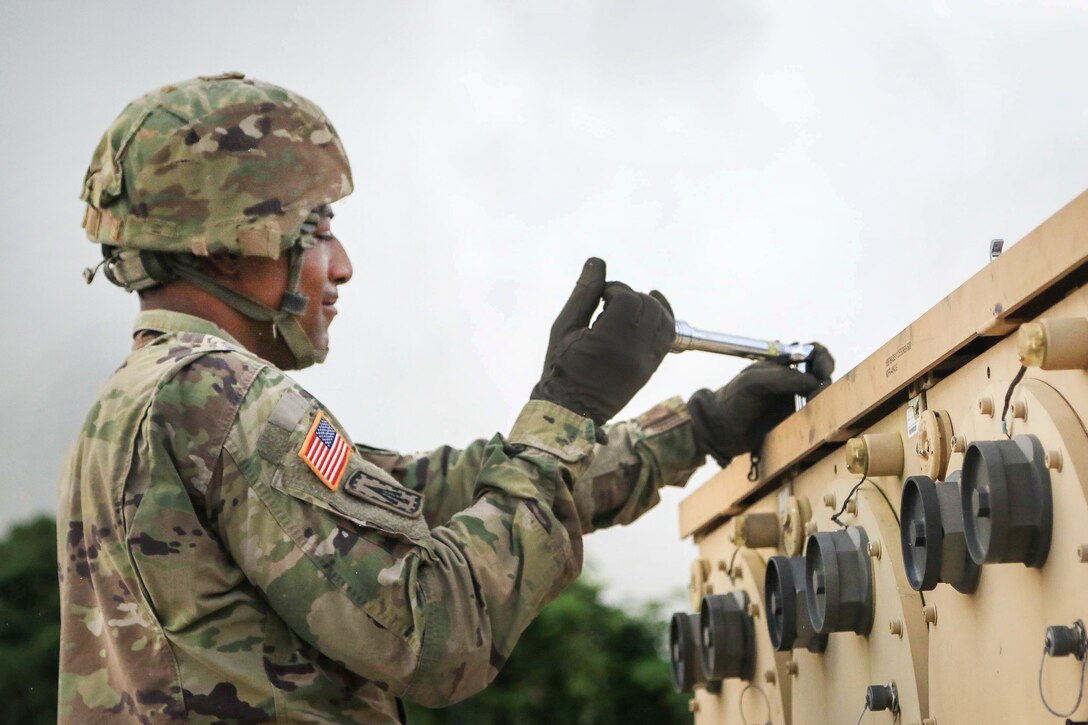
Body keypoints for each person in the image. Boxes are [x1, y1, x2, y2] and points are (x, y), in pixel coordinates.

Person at [58, 73, 833, 724]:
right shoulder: (222, 398)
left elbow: (423, 497)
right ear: (228, 244)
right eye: (316, 226)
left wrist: (691, 429)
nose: (343, 265)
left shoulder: (147, 401)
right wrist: (567, 407)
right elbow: (437, 635)